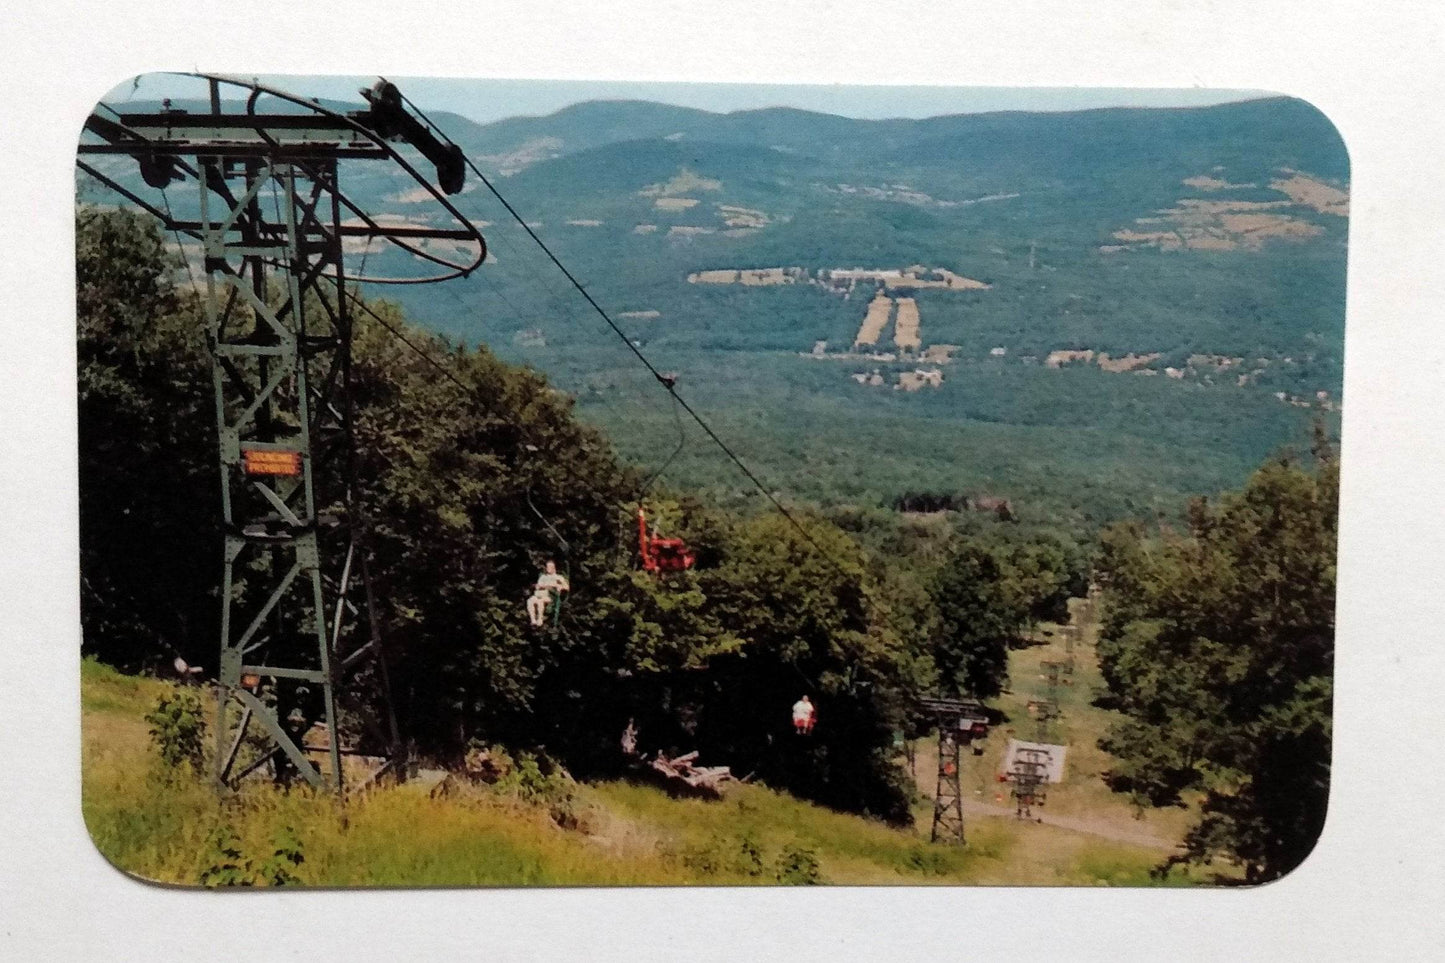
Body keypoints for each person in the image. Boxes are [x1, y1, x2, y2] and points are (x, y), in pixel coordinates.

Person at [526, 559, 569, 627]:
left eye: (550, 567)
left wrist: (560, 586)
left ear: (554, 568)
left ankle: (540, 619)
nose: (548, 568)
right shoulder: (543, 577)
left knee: (540, 601)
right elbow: (538, 585)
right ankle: (533, 620)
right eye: (547, 567)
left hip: (550, 595)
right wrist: (539, 586)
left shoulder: (558, 577)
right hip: (540, 593)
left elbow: (566, 587)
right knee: (530, 601)